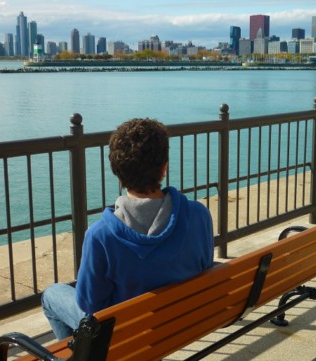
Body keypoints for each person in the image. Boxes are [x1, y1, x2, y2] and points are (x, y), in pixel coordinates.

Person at [42, 118, 214, 340]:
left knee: (51, 295)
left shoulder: (100, 236)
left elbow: (89, 305)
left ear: (117, 173)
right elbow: (206, 269)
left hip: (126, 336)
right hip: (180, 325)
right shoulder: (199, 215)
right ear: (164, 168)